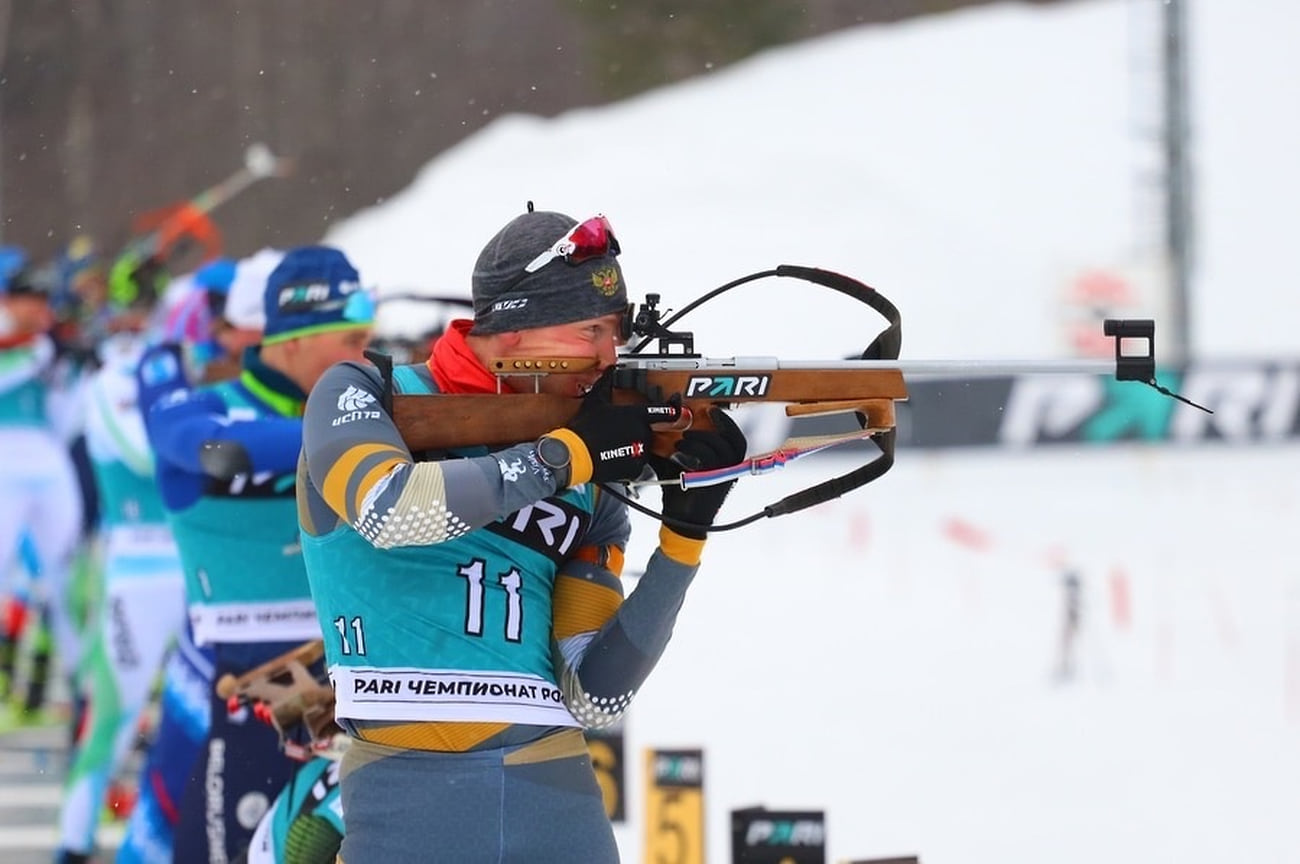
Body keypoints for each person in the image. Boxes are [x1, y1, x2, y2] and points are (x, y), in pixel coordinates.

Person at [297, 207, 746, 862]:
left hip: (555, 800)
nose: (607, 357)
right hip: (403, 799)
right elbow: (390, 510)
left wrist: (685, 533)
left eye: (615, 333)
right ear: (513, 330)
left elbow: (594, 696)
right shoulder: (364, 393)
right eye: (590, 329)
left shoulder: (592, 477)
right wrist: (561, 458)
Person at [141, 245, 374, 862]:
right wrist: (360, 432)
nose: (364, 357)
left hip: (351, 690)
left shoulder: (368, 409)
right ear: (293, 338)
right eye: (349, 340)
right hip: (244, 697)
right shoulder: (209, 408)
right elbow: (206, 446)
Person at [0, 250, 85, 718]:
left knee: (65, 572)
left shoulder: (43, 341)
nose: (36, 308)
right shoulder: (24, 340)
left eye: (41, 299)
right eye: (27, 298)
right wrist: (40, 353)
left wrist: (71, 366)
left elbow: (67, 416)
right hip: (4, 460)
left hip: (46, 460)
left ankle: (79, 685)